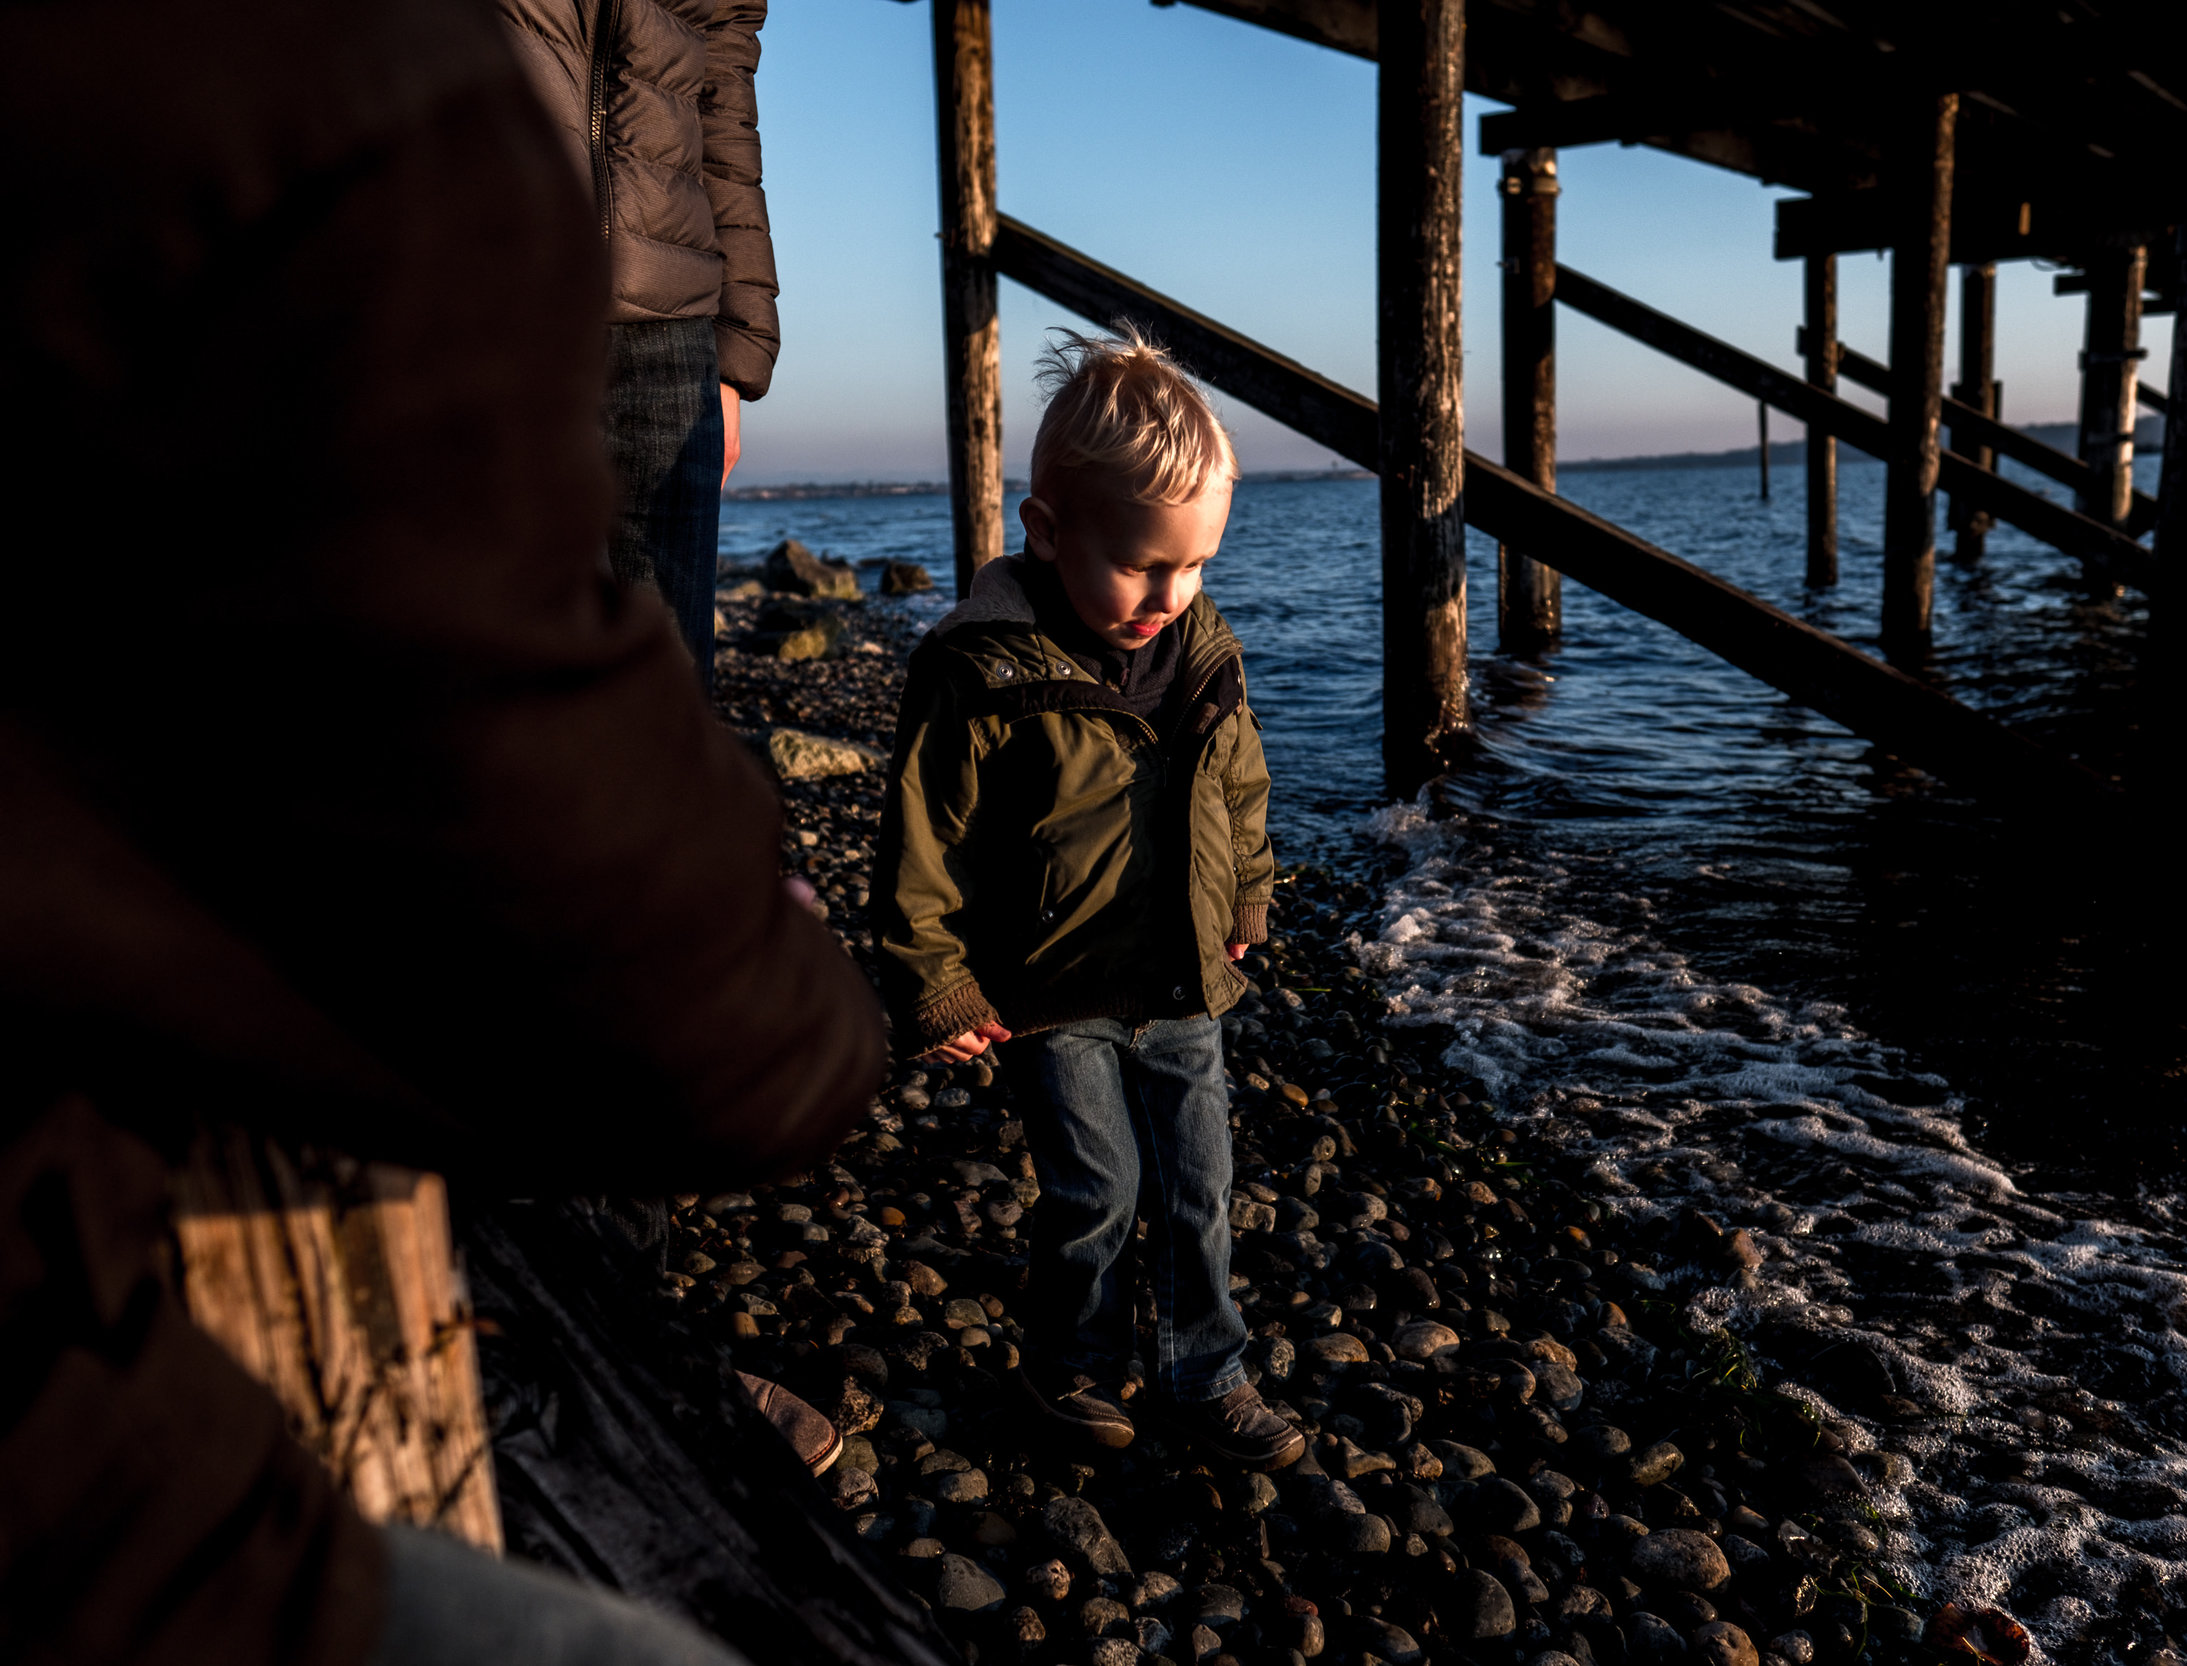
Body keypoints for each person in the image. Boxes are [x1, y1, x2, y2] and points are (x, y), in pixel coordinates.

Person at [0, 2, 884, 1662]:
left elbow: (724, 112)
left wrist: (734, 345)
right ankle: (497, 1314)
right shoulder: (342, 134)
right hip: (505, 305)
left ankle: (602, 1301)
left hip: (656, 336)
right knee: (506, 826)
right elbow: (763, 1038)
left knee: (627, 761)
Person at [869, 329, 1302, 1471]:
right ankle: (1068, 1366)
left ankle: (1200, 1369)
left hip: (1182, 975)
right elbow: (924, 843)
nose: (1169, 594)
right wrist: (934, 980)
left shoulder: (1203, 651)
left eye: (1195, 564)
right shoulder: (981, 672)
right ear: (1048, 531)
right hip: (1052, 984)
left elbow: (1239, 785)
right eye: (1141, 565)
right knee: (1097, 1188)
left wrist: (1247, 895)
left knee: (1201, 1185)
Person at [495, 0, 781, 694]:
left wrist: (738, 353)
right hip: (492, 313)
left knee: (670, 696)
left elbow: (725, 110)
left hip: (672, 336)